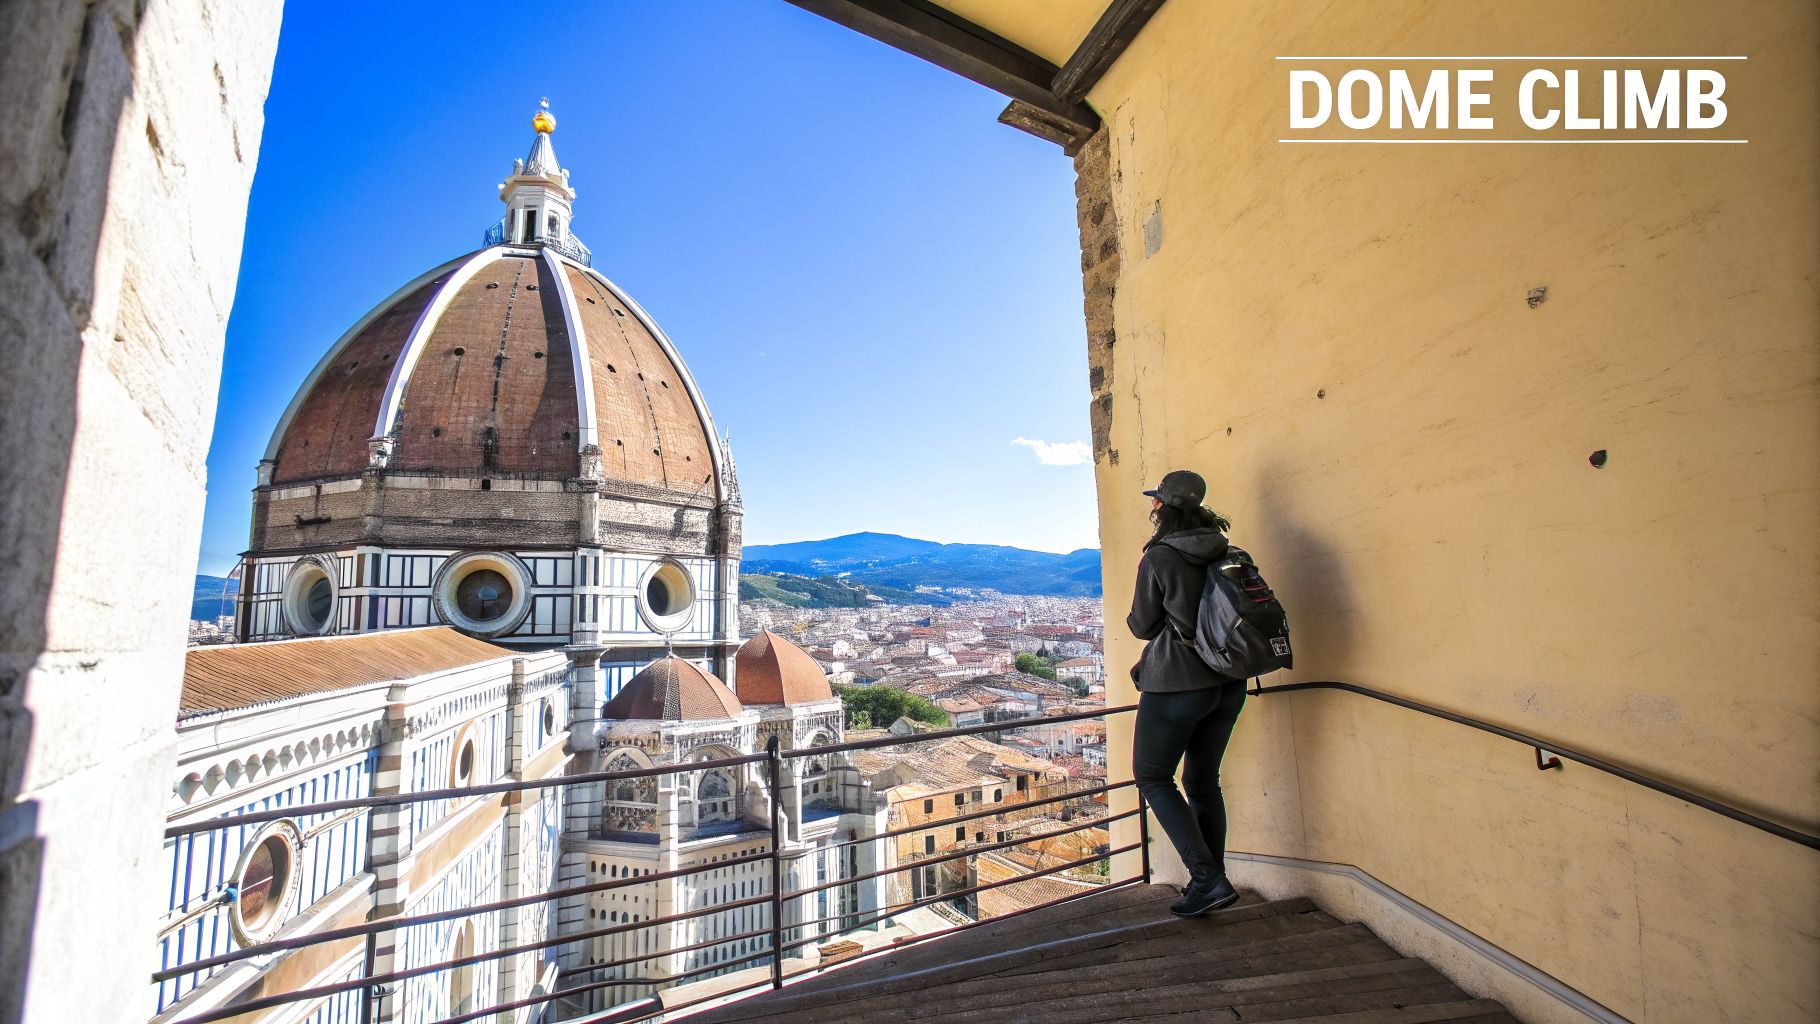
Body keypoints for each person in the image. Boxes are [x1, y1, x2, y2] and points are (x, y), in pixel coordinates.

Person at [1127, 469, 1246, 916]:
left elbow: (1142, 625)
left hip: (1177, 682)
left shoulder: (1159, 557)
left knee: (1154, 776)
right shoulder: (1226, 549)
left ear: (1162, 507)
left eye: (1155, 501)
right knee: (1201, 782)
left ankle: (1206, 879)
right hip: (1228, 680)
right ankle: (1211, 881)